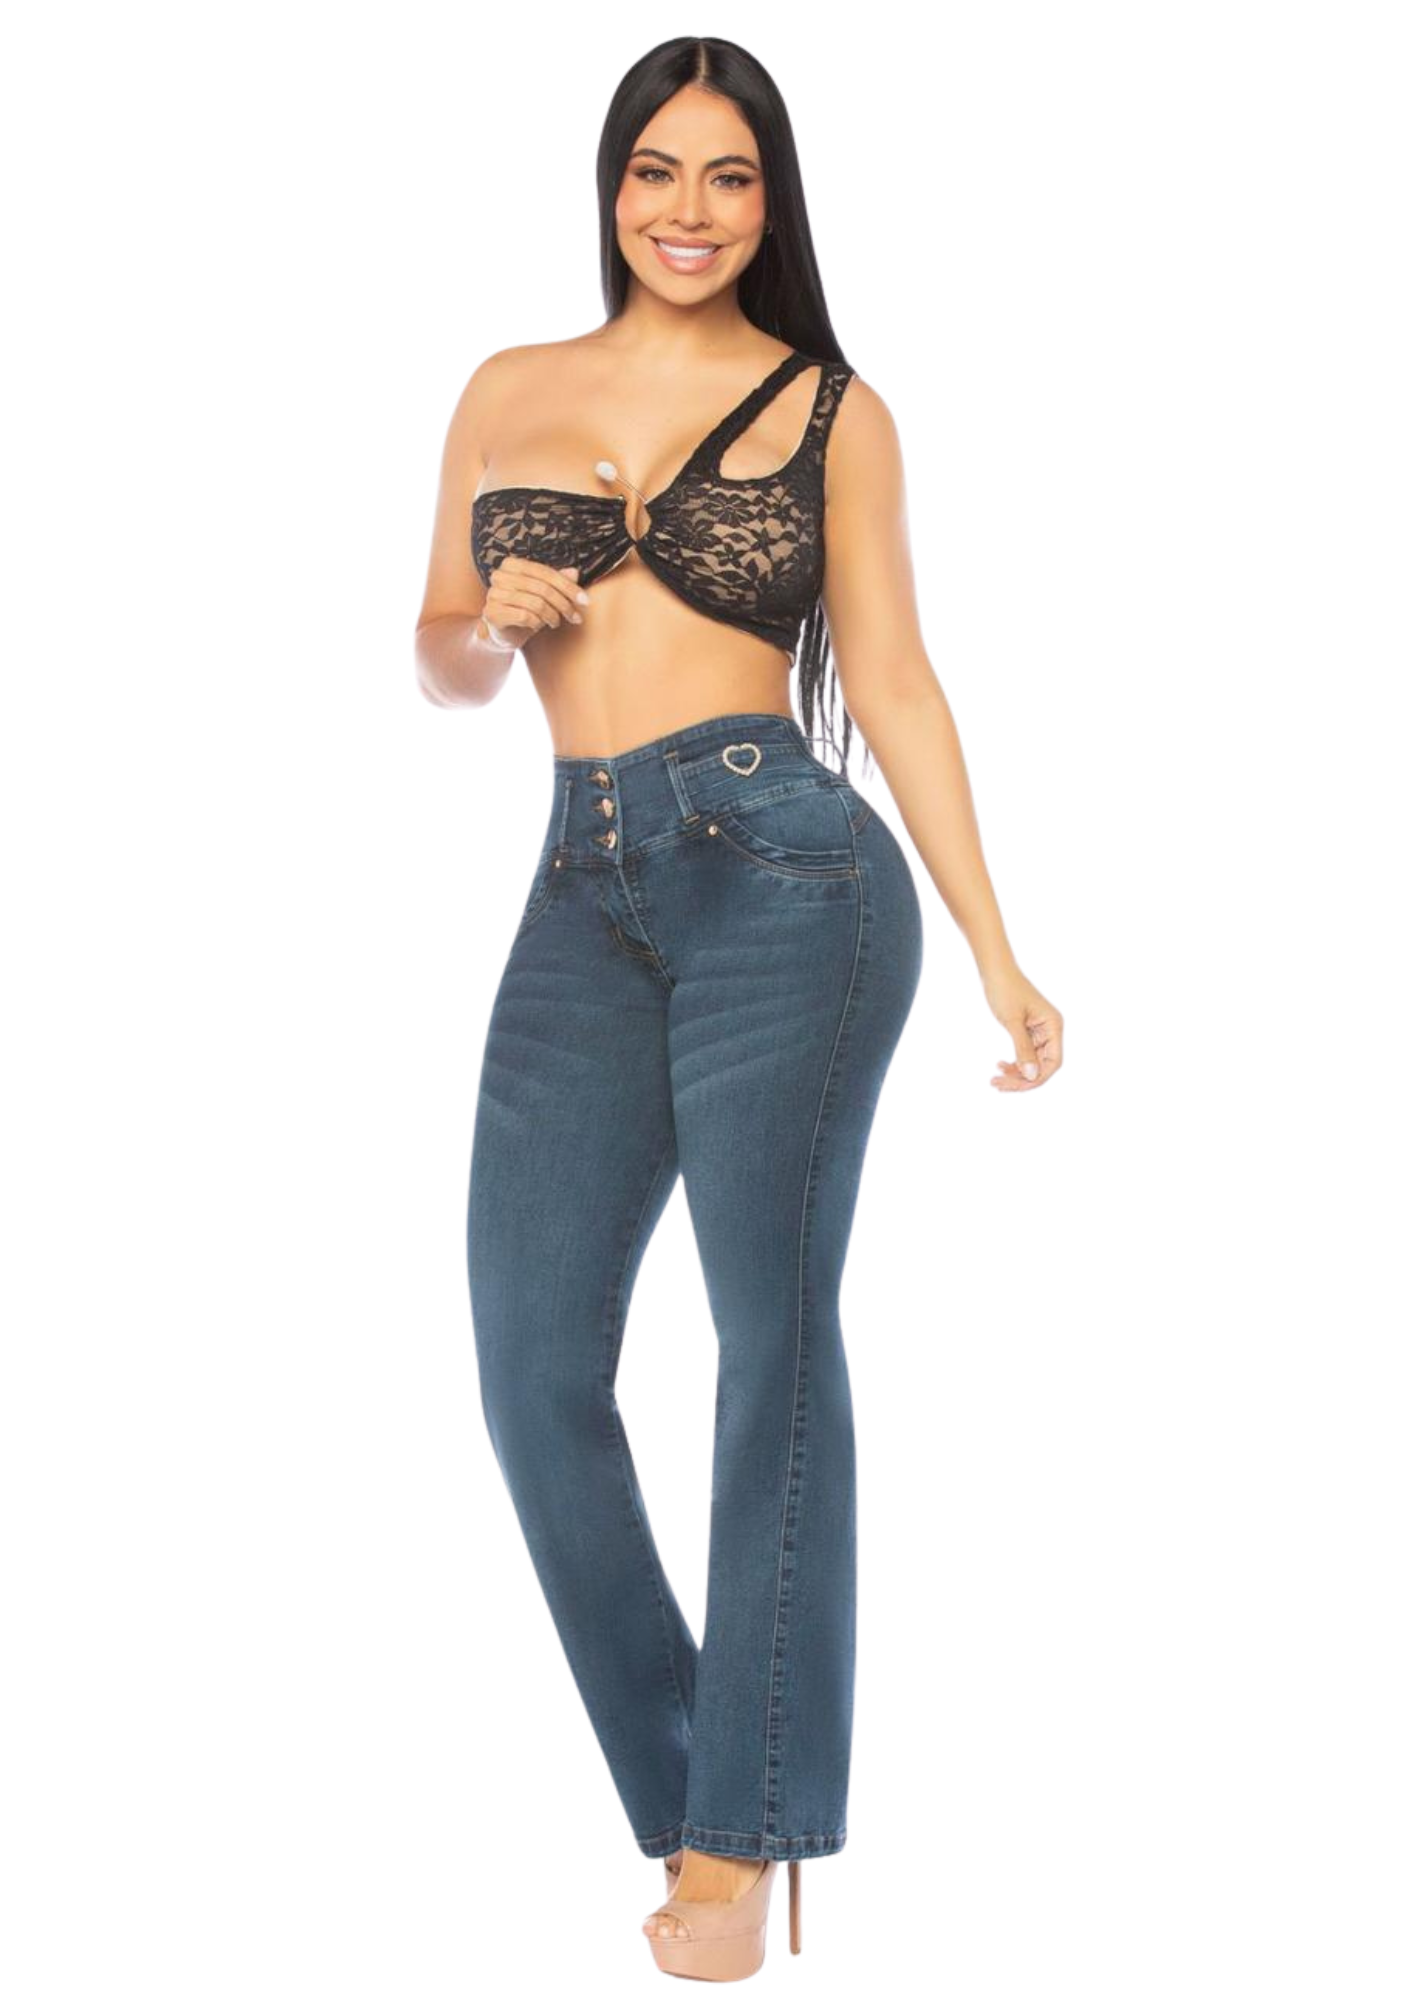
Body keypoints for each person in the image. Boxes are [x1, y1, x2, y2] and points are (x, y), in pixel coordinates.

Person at [413, 36, 1064, 1982]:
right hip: (577, 883)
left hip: (787, 875)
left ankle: (731, 1842)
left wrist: (997, 943)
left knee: (767, 1342)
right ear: (608, 184)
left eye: (727, 177)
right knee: (531, 1368)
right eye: (654, 171)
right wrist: (484, 624)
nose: (685, 212)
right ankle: (719, 1785)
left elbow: (901, 681)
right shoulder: (505, 389)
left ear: (770, 202)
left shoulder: (833, 410)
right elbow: (434, 653)